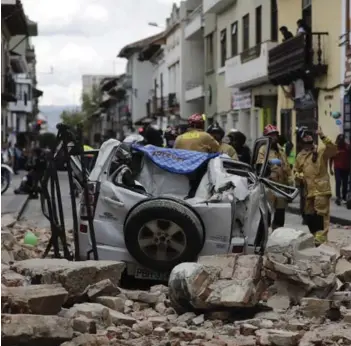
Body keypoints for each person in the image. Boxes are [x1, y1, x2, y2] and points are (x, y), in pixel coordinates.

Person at [294, 126, 337, 245]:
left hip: (321, 189)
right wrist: (298, 175)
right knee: (308, 216)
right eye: (305, 143)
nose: (307, 145)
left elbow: (333, 149)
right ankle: (316, 237)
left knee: (321, 215)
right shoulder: (300, 156)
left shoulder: (321, 151)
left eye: (309, 142)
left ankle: (321, 240)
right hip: (308, 191)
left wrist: (323, 136)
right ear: (302, 144)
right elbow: (296, 170)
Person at [257, 124, 292, 230]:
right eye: (271, 135)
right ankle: (264, 233)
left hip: (281, 186)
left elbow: (286, 166)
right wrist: (269, 162)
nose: (274, 138)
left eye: (275, 135)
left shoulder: (281, 150)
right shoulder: (263, 149)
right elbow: (260, 164)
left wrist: (290, 180)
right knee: (267, 211)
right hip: (269, 185)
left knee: (280, 212)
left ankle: (277, 232)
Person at [329, 134, 351, 205]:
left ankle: (344, 198)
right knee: (338, 182)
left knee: (345, 183)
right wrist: (330, 169)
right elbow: (331, 159)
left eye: (342, 139)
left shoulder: (347, 147)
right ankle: (338, 197)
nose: (341, 141)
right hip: (337, 168)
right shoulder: (335, 147)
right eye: (340, 139)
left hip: (346, 168)